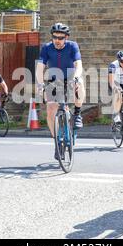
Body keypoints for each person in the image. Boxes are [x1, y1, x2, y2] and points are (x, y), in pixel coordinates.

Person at [35, 22, 85, 160]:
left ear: (66, 38)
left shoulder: (72, 46)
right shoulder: (46, 48)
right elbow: (40, 68)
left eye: (61, 38)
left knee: (80, 83)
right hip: (53, 80)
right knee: (51, 109)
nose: (57, 40)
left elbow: (78, 65)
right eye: (55, 37)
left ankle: (77, 114)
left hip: (69, 78)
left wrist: (76, 77)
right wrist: (40, 84)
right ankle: (57, 142)